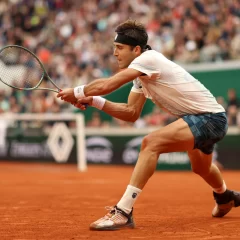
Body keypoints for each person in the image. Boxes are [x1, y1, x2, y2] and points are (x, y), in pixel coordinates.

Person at [57, 19, 240, 231]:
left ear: (136, 50)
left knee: (150, 143)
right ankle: (224, 196)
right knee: (202, 168)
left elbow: (109, 84)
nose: (115, 53)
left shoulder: (149, 59)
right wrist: (94, 101)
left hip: (210, 118)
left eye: (119, 48)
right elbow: (131, 113)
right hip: (204, 119)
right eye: (114, 48)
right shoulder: (140, 76)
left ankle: (123, 211)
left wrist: (78, 92)